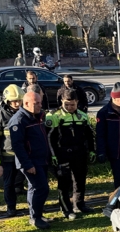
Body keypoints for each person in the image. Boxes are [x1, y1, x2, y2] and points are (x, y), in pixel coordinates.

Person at [46, 89, 96, 219]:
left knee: (80, 180)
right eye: (66, 104)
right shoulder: (54, 116)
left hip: (80, 152)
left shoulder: (83, 116)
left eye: (72, 105)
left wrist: (91, 150)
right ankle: (66, 209)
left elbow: (90, 135)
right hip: (62, 153)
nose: (69, 107)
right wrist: (53, 155)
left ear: (77, 102)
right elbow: (49, 138)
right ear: (62, 101)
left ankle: (79, 204)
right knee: (64, 183)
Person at [8, 92, 52, 229]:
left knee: (36, 188)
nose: (40, 106)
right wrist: (27, 164)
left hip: (41, 159)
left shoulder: (37, 116)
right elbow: (18, 146)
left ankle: (36, 214)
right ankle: (35, 217)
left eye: (40, 102)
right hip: (31, 162)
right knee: (41, 188)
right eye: (36, 103)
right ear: (26, 104)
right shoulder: (19, 120)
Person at [0, 84, 26, 217]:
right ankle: (11, 207)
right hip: (8, 158)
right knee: (8, 184)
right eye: (14, 101)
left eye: (20, 100)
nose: (17, 103)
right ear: (7, 101)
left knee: (32, 181)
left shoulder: (26, 113)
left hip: (25, 155)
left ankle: (36, 207)